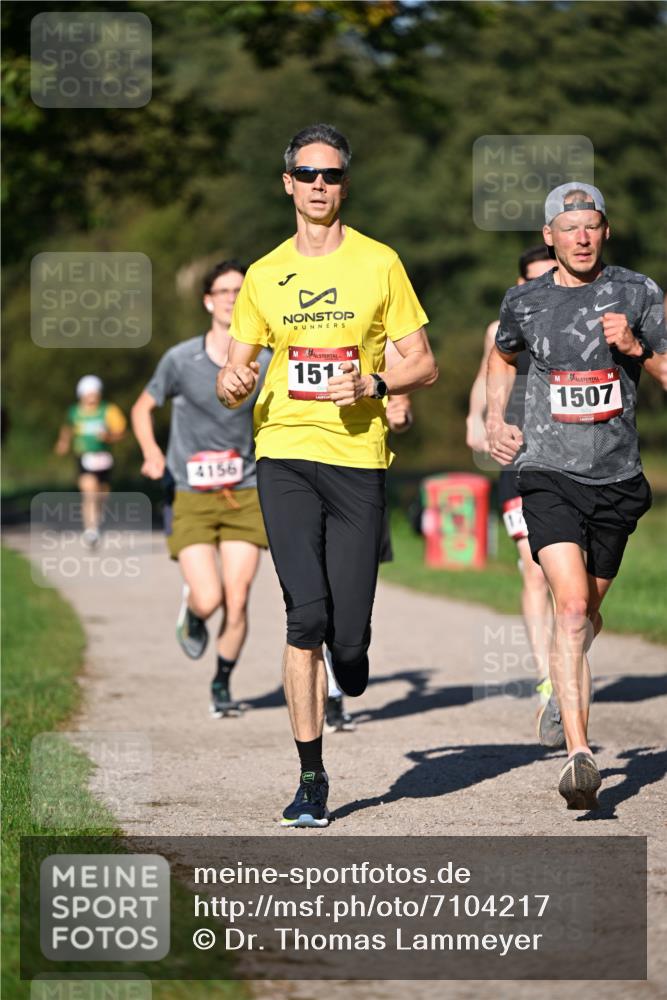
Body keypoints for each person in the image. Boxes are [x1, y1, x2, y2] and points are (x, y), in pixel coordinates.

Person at [216, 123, 438, 827]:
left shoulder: (379, 264)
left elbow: (423, 363)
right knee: (304, 617)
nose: (319, 185)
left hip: (357, 460)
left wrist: (372, 381)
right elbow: (237, 373)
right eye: (307, 174)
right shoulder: (262, 274)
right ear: (287, 183)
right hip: (283, 452)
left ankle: (354, 653)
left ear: (345, 184)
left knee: (347, 637)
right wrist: (231, 380)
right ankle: (312, 777)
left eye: (331, 175)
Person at [486, 182, 666, 810]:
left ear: (605, 232)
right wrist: (493, 418)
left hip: (616, 481)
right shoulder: (524, 301)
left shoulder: (638, 293)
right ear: (549, 236)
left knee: (586, 618)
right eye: (570, 228)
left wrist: (636, 349)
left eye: (591, 226)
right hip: (547, 473)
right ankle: (580, 756)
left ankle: (569, 691)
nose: (581, 237)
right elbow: (502, 358)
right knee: (567, 610)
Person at [131, 261, 271, 718]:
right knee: (210, 597)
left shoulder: (266, 359)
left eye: (240, 290)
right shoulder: (180, 359)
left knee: (239, 593)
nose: (233, 297)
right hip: (190, 492)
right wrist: (152, 453)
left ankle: (222, 682)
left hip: (245, 491)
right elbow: (141, 408)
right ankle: (193, 610)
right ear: (208, 300)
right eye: (224, 290)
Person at [467, 247, 555, 708]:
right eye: (536, 280)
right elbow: (487, 375)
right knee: (535, 571)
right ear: (521, 285)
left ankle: (569, 660)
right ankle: (546, 676)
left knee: (571, 579)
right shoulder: (502, 328)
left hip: (569, 460)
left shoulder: (577, 326)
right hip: (516, 459)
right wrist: (475, 418)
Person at [324, 338, 414, 733]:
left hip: (359, 481)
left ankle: (349, 653)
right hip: (303, 474)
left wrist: (400, 414)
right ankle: (331, 695)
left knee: (350, 600)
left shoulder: (382, 338)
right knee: (312, 603)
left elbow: (402, 403)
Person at [54, 375, 127, 547]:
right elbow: (67, 428)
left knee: (102, 494)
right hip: (84, 457)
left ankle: (97, 520)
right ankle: (91, 529)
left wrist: (109, 437)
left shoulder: (108, 410)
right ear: (82, 394)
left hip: (104, 458)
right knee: (89, 491)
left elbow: (121, 432)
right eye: (89, 394)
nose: (92, 397)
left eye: (95, 393)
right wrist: (63, 442)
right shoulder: (75, 412)